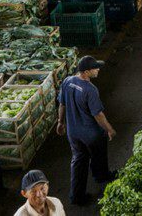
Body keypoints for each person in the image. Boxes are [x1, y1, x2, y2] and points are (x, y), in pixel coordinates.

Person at [57, 56, 115, 206]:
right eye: (96, 68)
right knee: (99, 154)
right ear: (87, 71)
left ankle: (76, 197)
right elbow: (98, 115)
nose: (98, 70)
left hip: (73, 133)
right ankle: (101, 176)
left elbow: (62, 104)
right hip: (91, 134)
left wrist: (60, 122)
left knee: (78, 162)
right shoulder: (90, 89)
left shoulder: (67, 82)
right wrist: (109, 129)